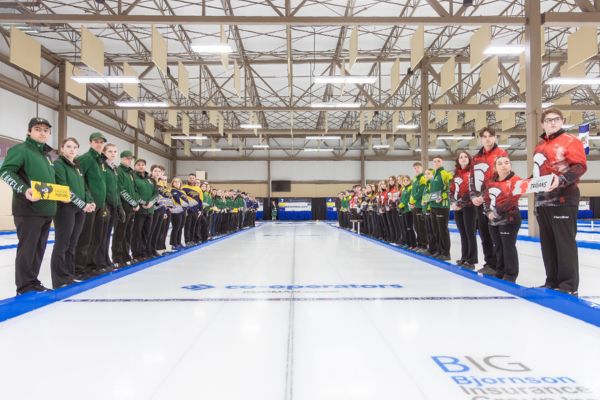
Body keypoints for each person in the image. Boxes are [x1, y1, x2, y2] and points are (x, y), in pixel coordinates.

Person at [0, 117, 57, 294]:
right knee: (28, 248)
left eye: (45, 130)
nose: (42, 132)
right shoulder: (21, 150)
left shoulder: (46, 156)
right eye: (38, 129)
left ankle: (33, 281)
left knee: (39, 249)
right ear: (29, 131)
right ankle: (24, 286)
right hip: (28, 210)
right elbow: (6, 171)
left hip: (46, 210)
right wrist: (24, 189)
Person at [534, 108, 587, 295]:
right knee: (548, 244)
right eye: (548, 120)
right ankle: (552, 281)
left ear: (562, 121)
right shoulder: (539, 147)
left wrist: (562, 180)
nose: (553, 123)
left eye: (556, 119)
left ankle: (567, 285)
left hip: (564, 198)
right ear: (542, 124)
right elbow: (539, 174)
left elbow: (580, 166)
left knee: (564, 243)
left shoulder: (571, 141)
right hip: (543, 202)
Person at [50, 138, 95, 288]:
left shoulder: (77, 167)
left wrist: (90, 201)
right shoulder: (58, 165)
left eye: (75, 147)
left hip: (79, 209)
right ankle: (59, 279)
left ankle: (69, 275)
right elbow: (64, 188)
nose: (72, 150)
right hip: (65, 209)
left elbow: (84, 187)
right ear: (62, 148)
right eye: (68, 146)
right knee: (62, 244)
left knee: (72, 244)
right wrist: (83, 205)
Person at [470, 127, 508, 275]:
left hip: (495, 200)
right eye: (484, 136)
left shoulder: (501, 154)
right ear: (480, 139)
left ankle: (501, 265)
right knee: (484, 234)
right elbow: (472, 179)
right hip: (480, 201)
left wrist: (485, 195)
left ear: (495, 137)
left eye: (490, 136)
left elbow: (504, 176)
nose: (487, 139)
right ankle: (490, 263)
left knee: (497, 235)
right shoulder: (476, 158)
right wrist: (473, 196)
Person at [483, 156, 523, 282]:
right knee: (498, 246)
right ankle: (500, 271)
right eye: (500, 163)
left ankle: (511, 274)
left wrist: (497, 211)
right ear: (495, 168)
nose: (504, 165)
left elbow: (513, 199)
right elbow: (486, 199)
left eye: (506, 163)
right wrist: (488, 212)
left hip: (509, 219)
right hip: (493, 220)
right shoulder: (490, 182)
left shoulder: (516, 180)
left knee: (508, 246)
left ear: (510, 165)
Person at [75, 132, 108, 278]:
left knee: (96, 238)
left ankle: (91, 265)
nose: (99, 144)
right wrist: (88, 199)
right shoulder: (86, 159)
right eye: (96, 141)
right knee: (85, 239)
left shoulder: (99, 161)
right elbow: (79, 180)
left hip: (99, 205)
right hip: (89, 205)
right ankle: (79, 269)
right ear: (90, 143)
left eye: (101, 142)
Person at [451, 151, 478, 269]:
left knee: (470, 233)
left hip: (469, 207)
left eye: (465, 157)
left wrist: (460, 203)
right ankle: (464, 257)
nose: (463, 159)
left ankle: (471, 260)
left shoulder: (472, 173)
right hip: (457, 208)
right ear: (458, 160)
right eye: (461, 157)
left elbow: (470, 191)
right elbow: (451, 190)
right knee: (462, 234)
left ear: (469, 159)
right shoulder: (455, 174)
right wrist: (453, 203)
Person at [112, 150, 139, 267]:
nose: (129, 160)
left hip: (131, 209)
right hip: (123, 207)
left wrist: (136, 203)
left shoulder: (130, 173)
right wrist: (133, 203)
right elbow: (121, 189)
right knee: (120, 234)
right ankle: (117, 258)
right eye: (127, 158)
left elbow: (134, 190)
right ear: (122, 158)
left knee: (128, 234)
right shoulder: (119, 171)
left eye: (131, 159)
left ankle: (125, 255)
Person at [99, 143, 124, 271]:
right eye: (110, 151)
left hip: (114, 205)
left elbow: (116, 189)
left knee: (108, 234)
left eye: (115, 151)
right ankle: (100, 261)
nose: (113, 154)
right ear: (104, 152)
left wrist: (119, 206)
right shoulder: (102, 166)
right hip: (105, 205)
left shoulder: (114, 168)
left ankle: (105, 258)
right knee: (101, 235)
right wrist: (103, 204)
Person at [132, 159, 158, 259]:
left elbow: (156, 193)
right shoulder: (133, 178)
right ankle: (136, 254)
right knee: (137, 233)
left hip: (150, 210)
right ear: (135, 166)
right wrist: (143, 202)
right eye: (138, 165)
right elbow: (134, 192)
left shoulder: (150, 180)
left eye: (143, 165)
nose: (141, 166)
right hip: (139, 211)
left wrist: (151, 202)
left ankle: (144, 252)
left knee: (146, 232)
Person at [428, 156, 453, 260]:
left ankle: (446, 253)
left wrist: (442, 197)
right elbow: (431, 191)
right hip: (433, 206)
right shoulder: (433, 175)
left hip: (442, 206)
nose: (436, 162)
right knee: (436, 230)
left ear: (442, 162)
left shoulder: (445, 174)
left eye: (438, 161)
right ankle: (439, 250)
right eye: (434, 161)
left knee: (443, 230)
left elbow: (450, 188)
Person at [170, 177, 190, 249]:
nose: (177, 183)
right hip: (177, 210)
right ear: (172, 183)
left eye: (178, 182)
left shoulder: (183, 191)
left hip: (183, 210)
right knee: (176, 227)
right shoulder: (172, 190)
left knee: (181, 227)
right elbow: (177, 199)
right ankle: (174, 243)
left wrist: (186, 207)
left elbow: (186, 200)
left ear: (180, 183)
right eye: (175, 182)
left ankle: (178, 242)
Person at [398, 175, 417, 249]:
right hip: (404, 210)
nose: (405, 181)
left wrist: (400, 206)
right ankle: (407, 243)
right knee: (405, 227)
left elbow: (407, 199)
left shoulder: (410, 188)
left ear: (410, 180)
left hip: (408, 210)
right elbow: (402, 199)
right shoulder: (403, 189)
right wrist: (400, 205)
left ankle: (413, 244)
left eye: (407, 180)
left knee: (409, 227)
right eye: (404, 180)